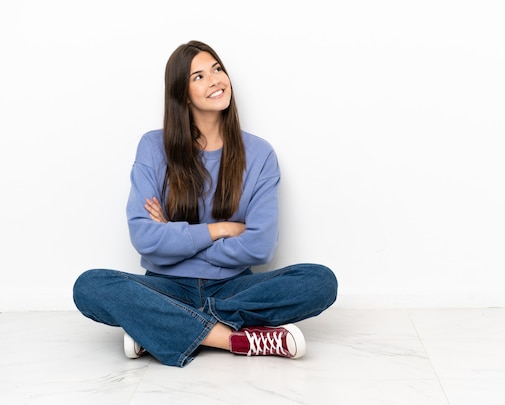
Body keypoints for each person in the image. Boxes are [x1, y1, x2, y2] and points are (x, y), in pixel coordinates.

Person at [73, 40, 338, 368]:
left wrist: (172, 235)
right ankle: (232, 339)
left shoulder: (259, 154)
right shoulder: (154, 147)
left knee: (319, 281)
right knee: (90, 286)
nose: (215, 80)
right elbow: (144, 238)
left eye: (217, 69)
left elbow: (259, 247)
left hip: (234, 287)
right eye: (198, 76)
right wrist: (222, 229)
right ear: (182, 94)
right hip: (166, 286)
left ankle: (160, 326)